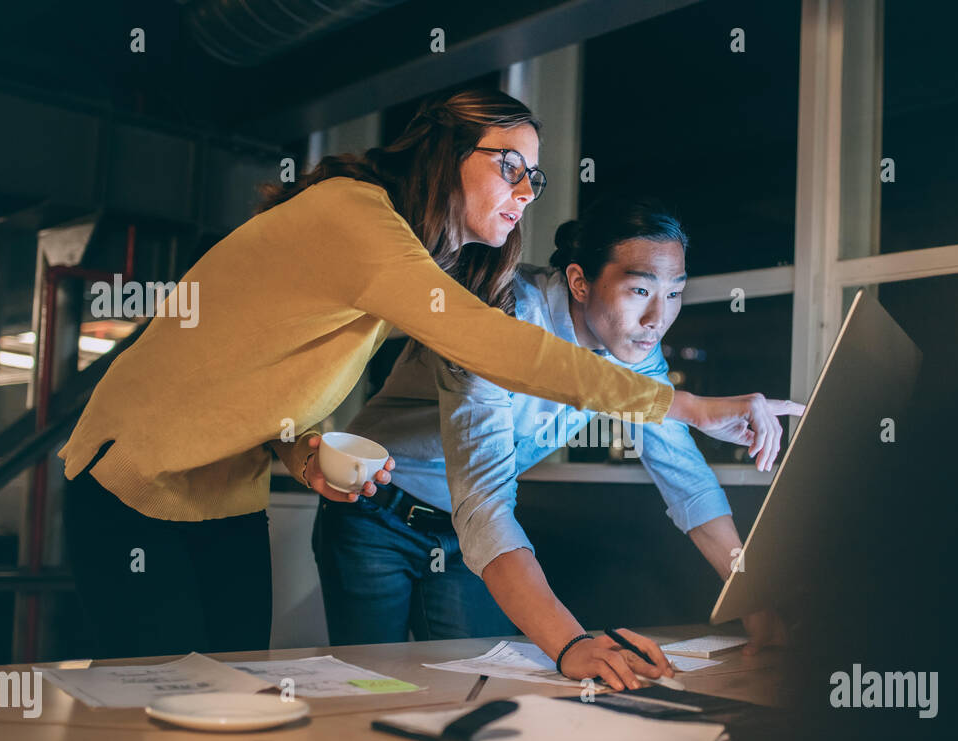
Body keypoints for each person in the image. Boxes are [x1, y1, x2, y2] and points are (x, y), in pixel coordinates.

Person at [59, 89, 789, 660]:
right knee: (150, 699)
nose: (527, 191)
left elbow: (274, 379)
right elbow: (497, 347)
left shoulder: (412, 258)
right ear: (445, 152)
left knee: (224, 687)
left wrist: (299, 451)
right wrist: (686, 405)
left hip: (224, 485)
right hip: (138, 471)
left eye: (535, 178)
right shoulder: (359, 219)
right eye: (510, 166)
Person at [314, 197, 800, 689]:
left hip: (466, 540)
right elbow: (485, 501)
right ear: (579, 281)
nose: (659, 317)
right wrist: (571, 643)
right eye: (639, 290)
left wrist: (755, 606)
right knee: (370, 683)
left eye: (674, 294)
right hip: (374, 509)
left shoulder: (633, 353)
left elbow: (687, 485)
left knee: (478, 689)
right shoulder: (501, 312)